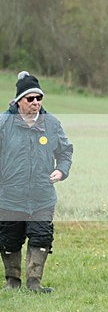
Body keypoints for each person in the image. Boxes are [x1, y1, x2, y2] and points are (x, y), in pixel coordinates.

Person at [1, 71, 73, 292]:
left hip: (42, 195)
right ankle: (12, 281)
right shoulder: (4, 123)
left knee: (41, 235)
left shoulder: (51, 124)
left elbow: (65, 152)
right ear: (19, 101)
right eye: (30, 99)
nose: (35, 103)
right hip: (9, 196)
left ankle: (34, 282)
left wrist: (61, 171)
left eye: (39, 98)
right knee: (9, 238)